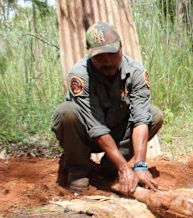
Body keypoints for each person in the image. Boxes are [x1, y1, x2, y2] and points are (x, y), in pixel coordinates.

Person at [52, 22, 163, 195]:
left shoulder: (136, 72)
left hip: (118, 135)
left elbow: (140, 119)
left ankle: (110, 167)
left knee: (154, 114)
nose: (107, 61)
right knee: (66, 112)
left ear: (121, 48)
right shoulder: (80, 76)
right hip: (86, 137)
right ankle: (78, 168)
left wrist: (139, 165)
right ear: (90, 54)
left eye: (112, 54)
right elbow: (95, 127)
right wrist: (125, 168)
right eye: (100, 56)